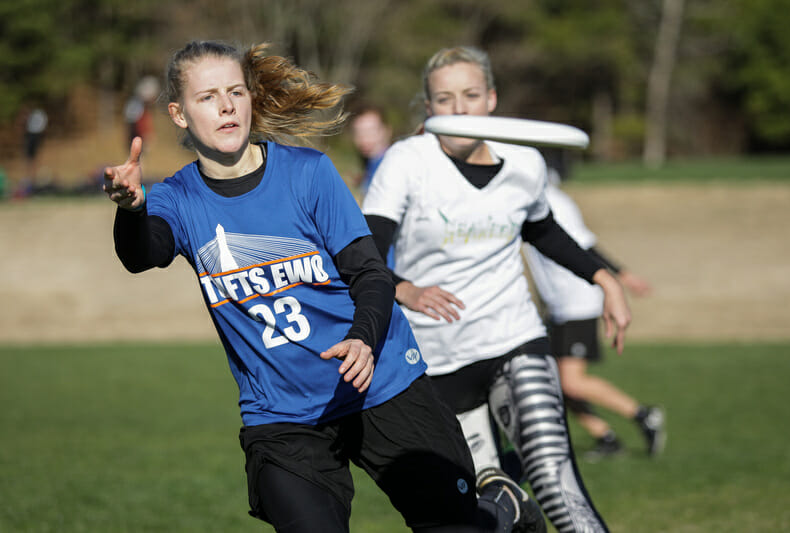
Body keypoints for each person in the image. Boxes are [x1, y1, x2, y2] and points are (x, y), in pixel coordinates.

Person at [103, 40, 545, 533]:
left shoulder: (307, 172)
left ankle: (496, 510)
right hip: (283, 412)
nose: (227, 106)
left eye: (236, 92)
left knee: (457, 525)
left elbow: (371, 273)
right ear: (179, 114)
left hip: (379, 380)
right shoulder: (176, 198)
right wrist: (131, 209)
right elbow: (141, 254)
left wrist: (362, 337)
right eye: (207, 97)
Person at [362, 46, 633, 533]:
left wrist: (605, 278)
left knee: (556, 479)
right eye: (444, 99)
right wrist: (404, 290)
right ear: (429, 109)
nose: (459, 108)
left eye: (470, 95)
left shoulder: (524, 162)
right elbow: (366, 250)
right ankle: (511, 507)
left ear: (491, 99)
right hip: (435, 356)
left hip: (513, 337)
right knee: (487, 504)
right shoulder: (406, 162)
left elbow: (544, 231)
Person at [521, 159, 665, 461]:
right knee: (555, 381)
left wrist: (621, 277)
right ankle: (605, 437)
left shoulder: (553, 203)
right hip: (558, 304)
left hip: (577, 301)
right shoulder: (520, 200)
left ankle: (643, 414)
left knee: (570, 380)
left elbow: (584, 247)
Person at [349, 102, 393, 199]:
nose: (364, 138)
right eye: (358, 133)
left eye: (371, 131)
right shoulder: (371, 163)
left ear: (387, 131)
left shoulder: (390, 166)